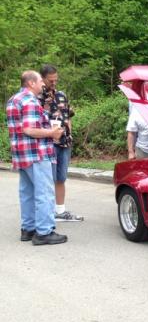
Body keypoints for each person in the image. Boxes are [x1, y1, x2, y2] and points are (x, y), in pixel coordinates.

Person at [6, 71, 67, 245]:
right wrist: (52, 132)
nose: (43, 84)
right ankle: (44, 232)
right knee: (45, 193)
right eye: (40, 81)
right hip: (37, 154)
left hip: (22, 154)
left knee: (27, 193)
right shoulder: (30, 101)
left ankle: (28, 229)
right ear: (31, 83)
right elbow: (29, 129)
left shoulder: (14, 99)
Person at [39, 64, 83, 222]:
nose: (53, 83)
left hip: (64, 142)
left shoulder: (61, 95)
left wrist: (70, 134)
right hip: (48, 144)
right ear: (42, 79)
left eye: (55, 80)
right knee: (47, 179)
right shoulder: (37, 98)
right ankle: (47, 212)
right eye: (50, 80)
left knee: (61, 178)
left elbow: (68, 116)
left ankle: (60, 211)